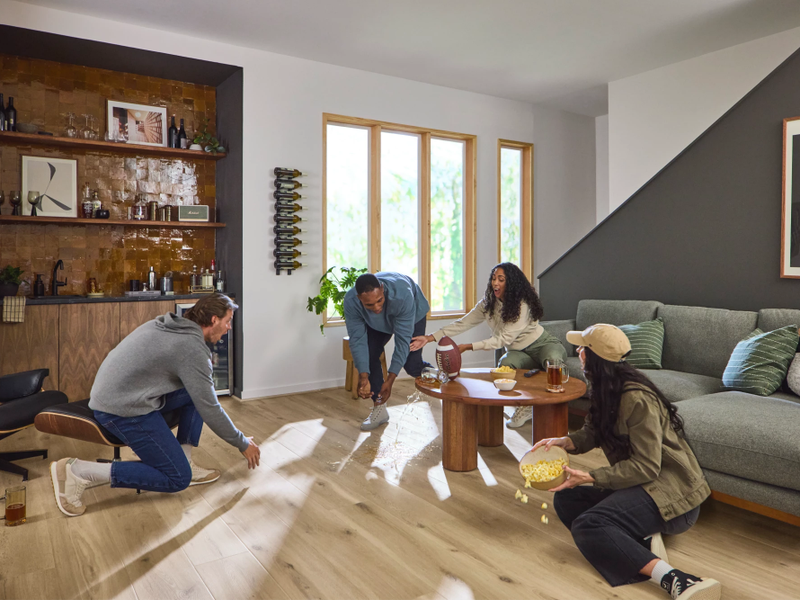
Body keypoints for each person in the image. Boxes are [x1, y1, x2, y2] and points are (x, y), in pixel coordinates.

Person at [532, 324, 720, 600]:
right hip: (640, 484)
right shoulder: (606, 387)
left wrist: (592, 476)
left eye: (583, 348)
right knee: (566, 499)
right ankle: (641, 543)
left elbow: (647, 467)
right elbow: (593, 432)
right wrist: (566, 441)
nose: (579, 352)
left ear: (593, 357)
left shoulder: (636, 398)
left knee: (588, 525)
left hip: (673, 495)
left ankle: (675, 578)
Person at [50, 293, 261, 517]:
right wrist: (241, 442)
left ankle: (186, 460)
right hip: (122, 409)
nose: (229, 327)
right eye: (227, 321)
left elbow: (202, 396)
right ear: (213, 320)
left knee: (195, 392)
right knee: (178, 478)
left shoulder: (170, 325)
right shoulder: (190, 348)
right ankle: (79, 471)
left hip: (122, 395)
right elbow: (210, 407)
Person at [411, 262, 566, 428]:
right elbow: (463, 323)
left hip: (542, 344)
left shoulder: (522, 305)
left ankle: (554, 408)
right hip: (518, 352)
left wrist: (468, 346)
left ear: (511, 283)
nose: (495, 283)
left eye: (501, 279)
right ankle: (525, 406)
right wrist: (430, 337)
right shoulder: (488, 303)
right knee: (505, 364)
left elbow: (502, 340)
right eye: (493, 278)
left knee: (553, 359)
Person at [344, 272, 432, 431]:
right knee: (370, 354)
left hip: (412, 312)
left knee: (411, 365)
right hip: (378, 323)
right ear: (359, 299)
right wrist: (363, 375)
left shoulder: (402, 295)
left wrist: (390, 380)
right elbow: (357, 339)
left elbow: (402, 341)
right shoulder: (351, 302)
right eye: (369, 305)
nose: (376, 307)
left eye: (379, 300)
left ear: (382, 289)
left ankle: (438, 374)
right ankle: (380, 409)